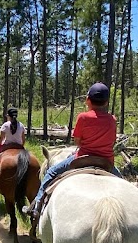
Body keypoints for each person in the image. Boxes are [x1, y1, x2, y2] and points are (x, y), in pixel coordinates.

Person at [26, 82, 120, 215]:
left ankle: (37, 204)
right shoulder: (112, 120)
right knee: (123, 182)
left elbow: (77, 141)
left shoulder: (83, 117)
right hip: (106, 162)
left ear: (88, 100)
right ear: (106, 102)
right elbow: (112, 141)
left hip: (82, 158)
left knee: (51, 172)